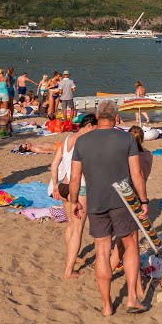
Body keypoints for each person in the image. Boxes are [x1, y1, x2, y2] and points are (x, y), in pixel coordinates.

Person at [68, 101, 149, 315]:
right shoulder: (127, 138)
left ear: (96, 115)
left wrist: (75, 200)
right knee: (130, 245)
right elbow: (136, 174)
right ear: (116, 116)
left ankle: (106, 305)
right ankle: (131, 298)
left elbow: (75, 177)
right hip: (123, 199)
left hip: (96, 201)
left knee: (101, 251)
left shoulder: (82, 141)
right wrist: (144, 200)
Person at [50, 114, 98, 279]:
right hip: (77, 188)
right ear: (90, 125)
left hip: (63, 186)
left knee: (71, 225)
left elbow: (54, 164)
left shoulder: (68, 139)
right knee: (78, 229)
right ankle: (69, 271)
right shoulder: (85, 142)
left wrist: (55, 185)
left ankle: (73, 256)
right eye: (96, 127)